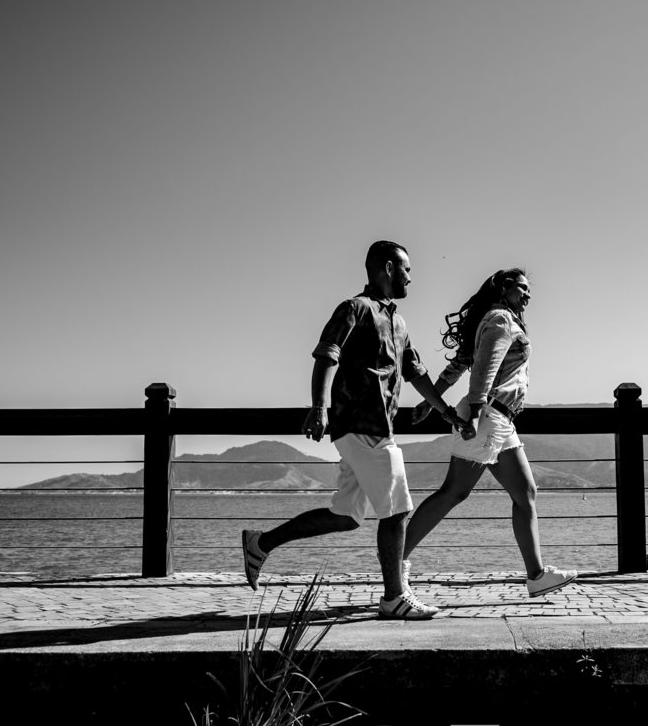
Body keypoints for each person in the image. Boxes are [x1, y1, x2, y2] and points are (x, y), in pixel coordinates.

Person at [242, 240, 471, 620]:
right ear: (387, 268)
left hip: (379, 428)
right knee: (397, 511)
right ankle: (394, 597)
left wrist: (445, 411)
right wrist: (319, 407)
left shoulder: (398, 322)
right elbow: (326, 353)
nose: (411, 278)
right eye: (406, 270)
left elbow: (415, 371)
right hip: (360, 427)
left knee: (346, 516)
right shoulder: (354, 309)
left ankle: (260, 543)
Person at [404, 268, 576, 597]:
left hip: (500, 419)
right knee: (454, 492)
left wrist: (432, 402)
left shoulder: (493, 319)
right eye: (522, 288)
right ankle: (395, 561)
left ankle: (537, 575)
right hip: (488, 414)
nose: (528, 295)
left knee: (525, 493)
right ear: (504, 289)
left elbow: (460, 364)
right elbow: (485, 368)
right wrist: (475, 410)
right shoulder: (500, 320)